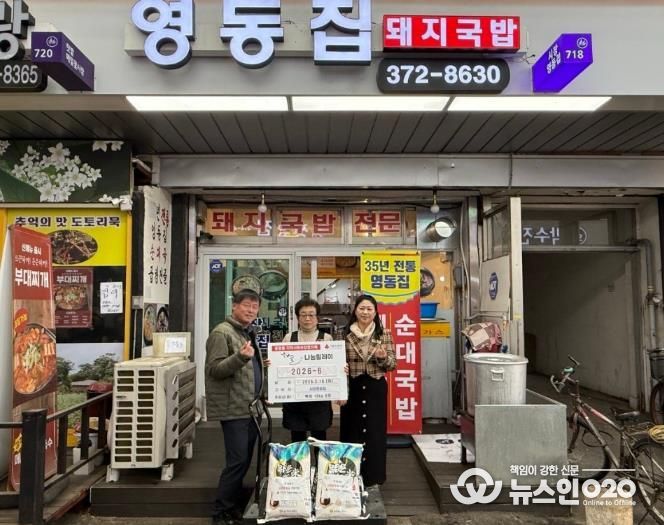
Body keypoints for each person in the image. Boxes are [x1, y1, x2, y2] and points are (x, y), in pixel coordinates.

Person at [206, 289, 263, 525]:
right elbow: (215, 370)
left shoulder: (246, 332)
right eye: (246, 305)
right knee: (237, 460)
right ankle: (221, 512)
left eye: (255, 307)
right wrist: (240, 358)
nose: (251, 310)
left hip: (250, 407)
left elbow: (250, 370)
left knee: (244, 460)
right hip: (234, 408)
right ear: (234, 306)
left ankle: (232, 507)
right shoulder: (222, 333)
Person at [339, 294, 396, 488]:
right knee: (350, 430)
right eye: (361, 308)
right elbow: (337, 363)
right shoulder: (345, 333)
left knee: (375, 432)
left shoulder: (384, 333)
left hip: (375, 387)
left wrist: (382, 357)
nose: (365, 312)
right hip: (352, 387)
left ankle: (374, 477)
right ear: (355, 311)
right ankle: (349, 475)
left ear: (375, 312)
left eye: (369, 309)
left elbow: (392, 364)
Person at [280, 298, 334, 443]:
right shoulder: (289, 338)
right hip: (295, 398)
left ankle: (318, 459)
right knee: (297, 439)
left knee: (319, 438)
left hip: (319, 397)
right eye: (303, 315)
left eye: (311, 314)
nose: (307, 318)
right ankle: (300, 459)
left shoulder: (327, 339)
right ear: (298, 318)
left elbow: (333, 367)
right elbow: (281, 364)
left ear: (317, 318)